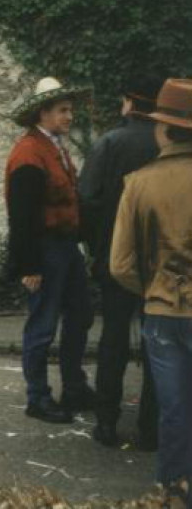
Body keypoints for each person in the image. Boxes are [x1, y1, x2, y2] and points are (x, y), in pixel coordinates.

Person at [111, 78, 192, 508]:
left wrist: (151, 290)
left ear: (163, 129)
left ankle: (174, 488)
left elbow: (120, 265)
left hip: (162, 311)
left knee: (173, 407)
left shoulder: (139, 183)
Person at [4, 77, 95, 424]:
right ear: (42, 113)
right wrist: (29, 266)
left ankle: (74, 387)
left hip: (65, 247)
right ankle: (38, 397)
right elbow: (22, 215)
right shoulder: (28, 154)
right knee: (42, 325)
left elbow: (70, 201)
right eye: (63, 110)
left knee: (80, 315)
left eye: (70, 110)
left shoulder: (54, 147)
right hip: (45, 249)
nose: (70, 116)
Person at [78, 75, 162, 448]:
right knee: (155, 343)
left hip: (116, 257)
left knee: (113, 339)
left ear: (129, 102)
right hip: (160, 261)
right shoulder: (167, 143)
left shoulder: (109, 143)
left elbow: (87, 199)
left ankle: (107, 422)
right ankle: (150, 427)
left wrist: (95, 244)